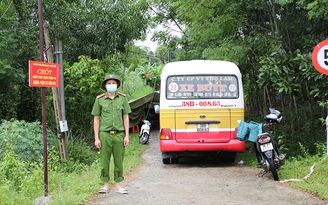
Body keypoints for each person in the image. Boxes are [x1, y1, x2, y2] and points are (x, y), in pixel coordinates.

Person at [91, 74, 131, 194]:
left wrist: (127, 135)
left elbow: (126, 117)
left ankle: (118, 185)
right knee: (105, 160)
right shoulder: (100, 99)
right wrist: (96, 137)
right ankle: (105, 184)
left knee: (119, 160)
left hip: (119, 134)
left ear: (117, 85)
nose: (111, 85)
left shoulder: (122, 98)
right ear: (105, 85)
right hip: (105, 135)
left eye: (113, 83)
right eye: (109, 83)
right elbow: (96, 119)